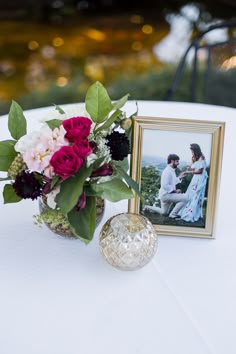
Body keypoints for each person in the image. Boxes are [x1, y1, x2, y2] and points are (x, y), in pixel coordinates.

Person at [145, 154, 188, 219]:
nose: (178, 163)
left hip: (166, 195)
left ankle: (146, 207)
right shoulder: (167, 171)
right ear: (172, 161)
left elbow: (173, 182)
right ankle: (173, 215)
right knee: (185, 198)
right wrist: (175, 191)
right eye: (177, 161)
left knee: (164, 213)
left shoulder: (171, 170)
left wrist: (180, 177)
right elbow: (164, 185)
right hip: (166, 195)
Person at [178, 143, 208, 222]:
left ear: (195, 149)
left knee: (196, 195)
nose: (191, 151)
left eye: (192, 150)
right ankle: (186, 209)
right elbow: (194, 167)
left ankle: (192, 213)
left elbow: (200, 171)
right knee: (190, 193)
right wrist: (189, 166)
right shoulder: (195, 157)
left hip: (200, 179)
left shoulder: (202, 157)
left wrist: (188, 172)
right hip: (195, 178)